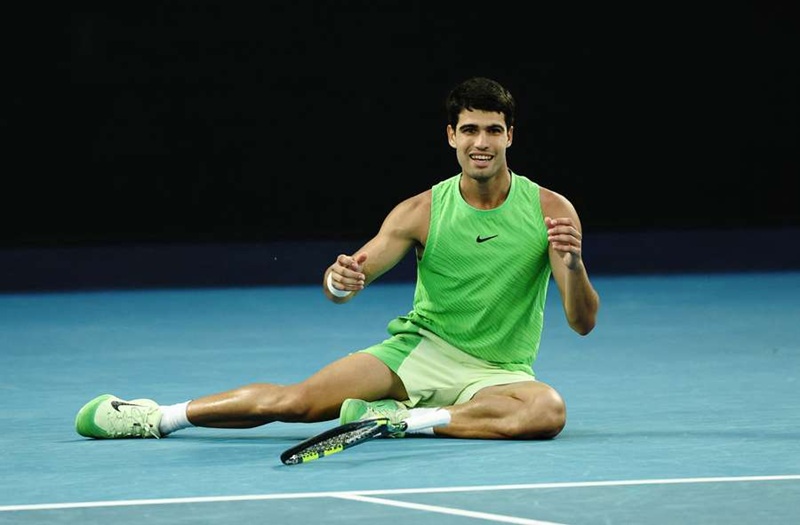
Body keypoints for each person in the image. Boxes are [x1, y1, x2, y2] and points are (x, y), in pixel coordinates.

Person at [75, 76, 600, 442]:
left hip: (498, 374)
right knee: (296, 403)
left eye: (492, 130)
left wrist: (573, 266)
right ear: (451, 136)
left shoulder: (550, 210)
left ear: (510, 136)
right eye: (469, 130)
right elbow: (346, 282)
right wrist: (339, 280)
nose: (481, 143)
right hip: (418, 353)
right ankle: (155, 417)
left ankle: (401, 421)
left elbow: (582, 323)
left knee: (546, 410)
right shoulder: (420, 212)